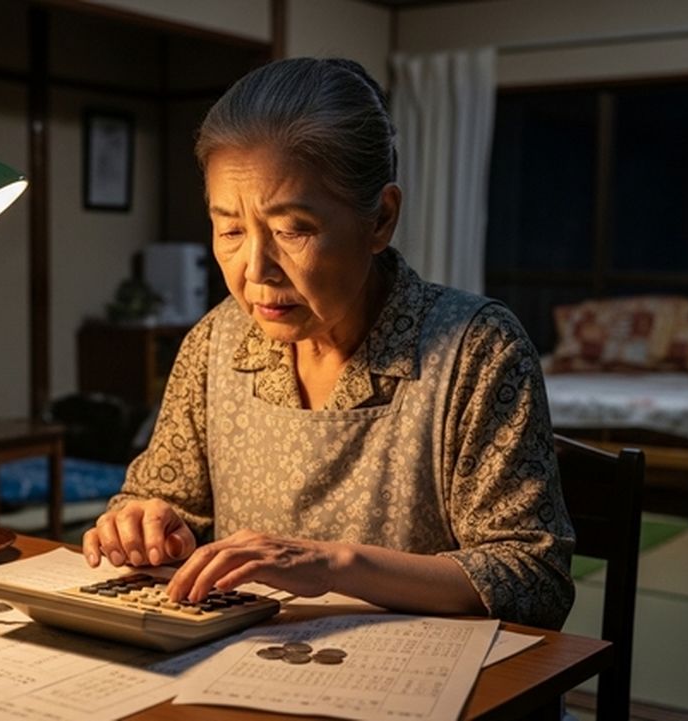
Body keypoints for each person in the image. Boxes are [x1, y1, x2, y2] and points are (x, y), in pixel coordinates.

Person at [82, 57, 574, 629]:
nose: (256, 270)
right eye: (231, 229)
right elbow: (166, 503)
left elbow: (534, 578)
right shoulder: (217, 340)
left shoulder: (477, 350)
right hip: (254, 673)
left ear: (381, 219)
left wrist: (331, 564)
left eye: (292, 230)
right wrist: (145, 523)